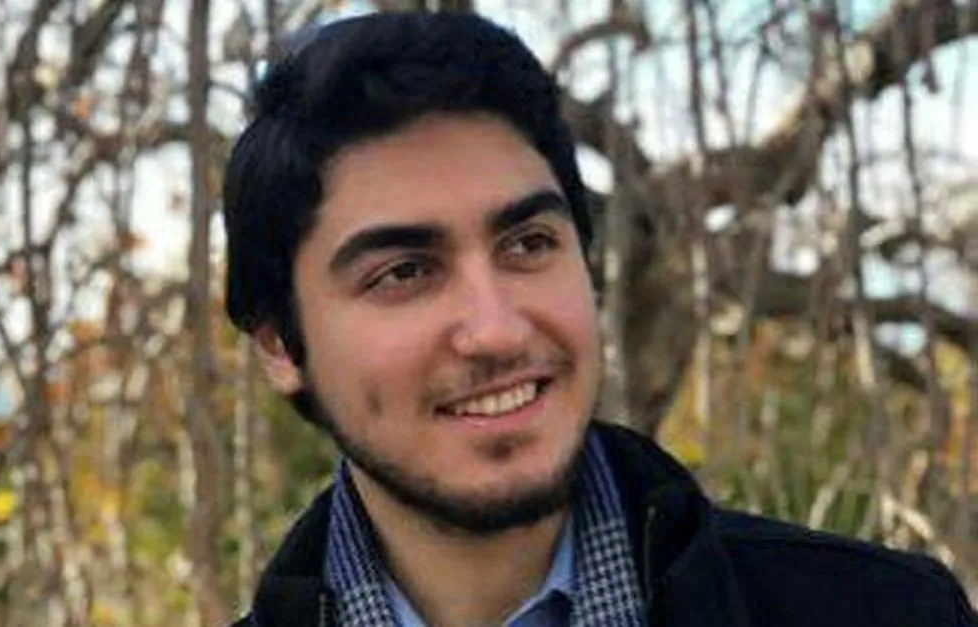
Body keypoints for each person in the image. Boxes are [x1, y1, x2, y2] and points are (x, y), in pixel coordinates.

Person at [221, 11, 977, 627]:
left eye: (528, 244)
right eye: (405, 273)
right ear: (282, 345)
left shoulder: (892, 613)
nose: (498, 329)